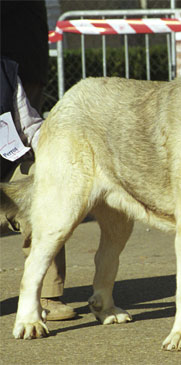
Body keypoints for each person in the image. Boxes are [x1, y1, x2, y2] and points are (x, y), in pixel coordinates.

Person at [0, 1, 76, 321]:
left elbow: (31, 125)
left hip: (7, 160)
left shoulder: (6, 70)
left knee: (43, 191)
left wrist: (57, 151)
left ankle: (48, 294)